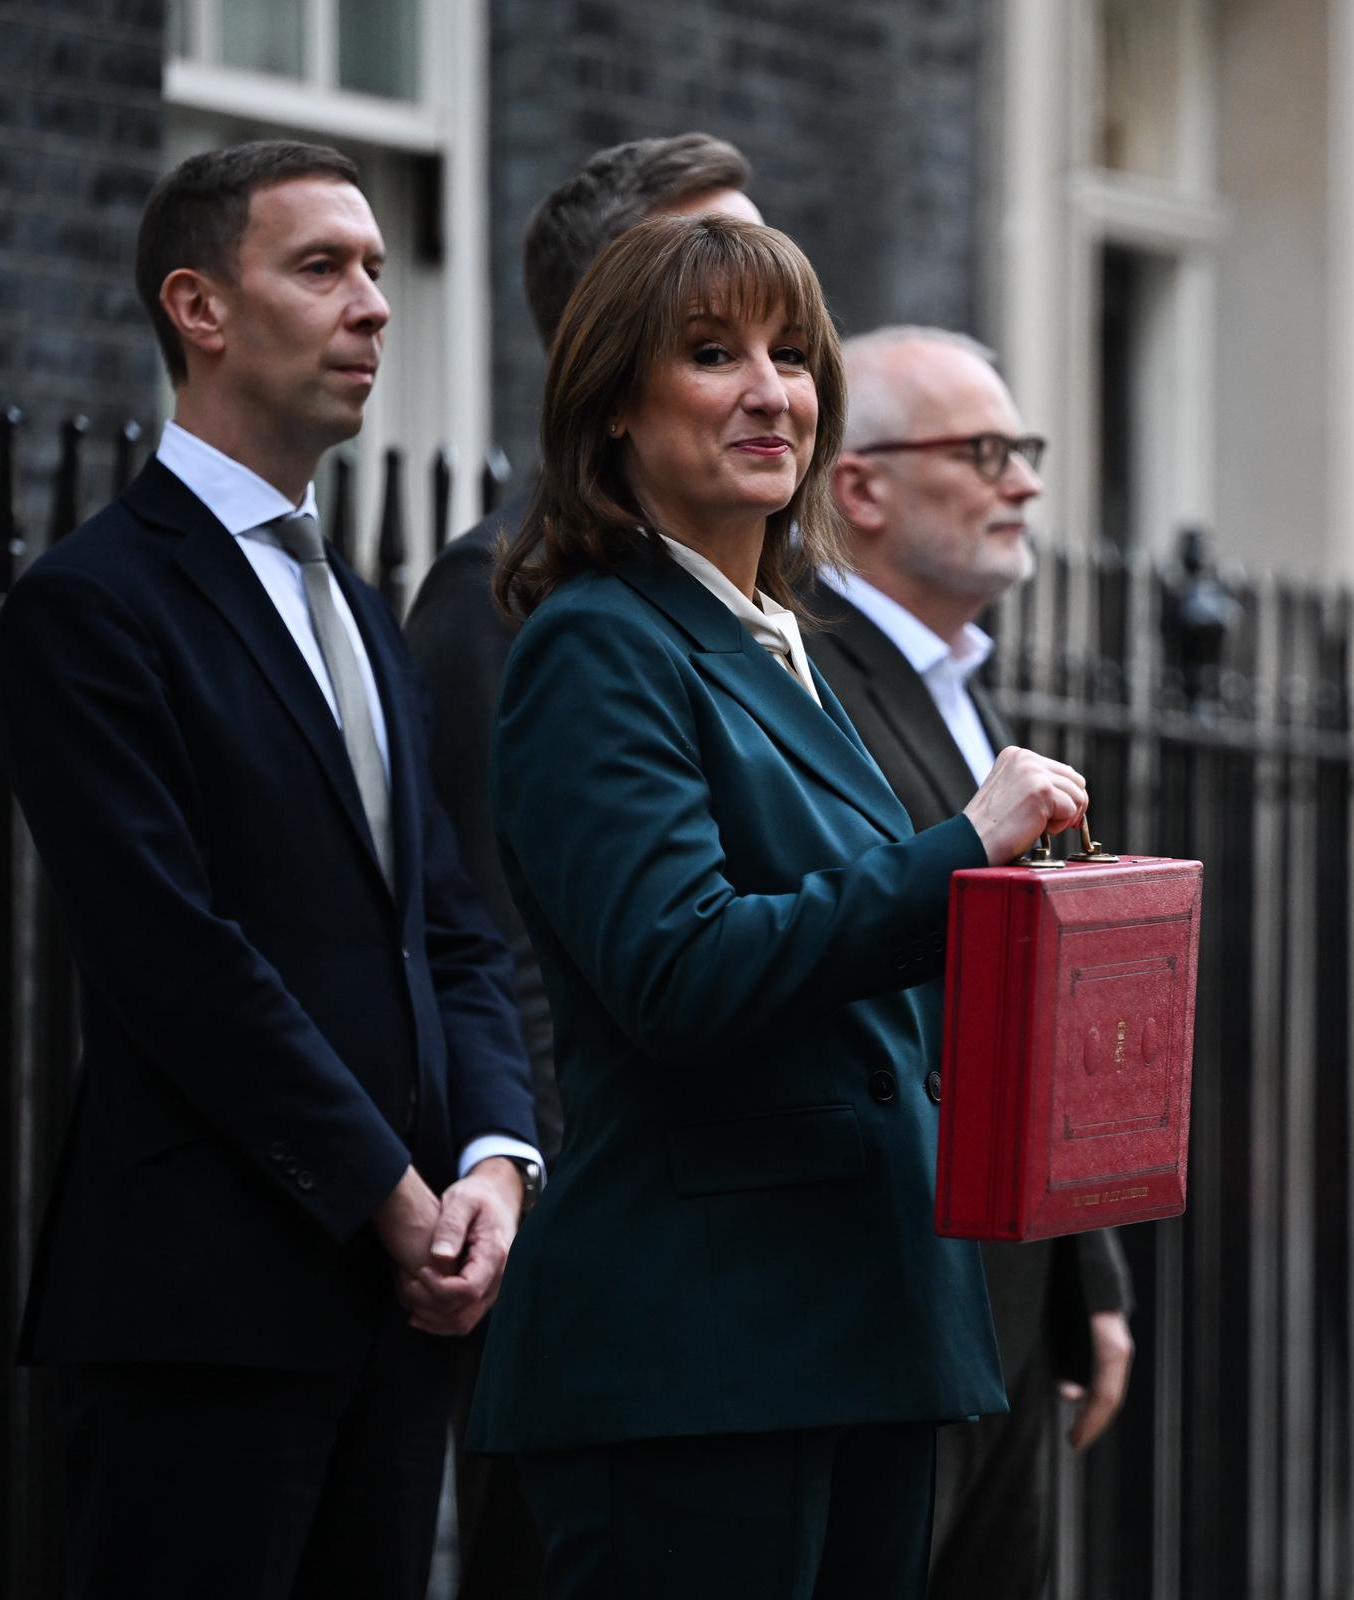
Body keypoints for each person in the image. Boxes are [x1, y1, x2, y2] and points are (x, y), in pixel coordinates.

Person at [466, 213, 1090, 1596]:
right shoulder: (596, 645)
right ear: (614, 406)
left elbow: (869, 972)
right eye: (712, 355)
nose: (773, 390)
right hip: (701, 1350)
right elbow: (678, 970)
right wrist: (960, 851)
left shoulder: (782, 640)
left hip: (859, 1321)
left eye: (793, 354)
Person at [0, 140, 540, 1598]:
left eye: (376, 268)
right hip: (204, 1310)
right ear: (198, 307)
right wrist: (388, 1189)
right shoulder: (87, 605)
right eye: (322, 268)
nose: (373, 304)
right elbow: (173, 954)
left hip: (397, 1304)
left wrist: (494, 1158)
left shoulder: (356, 604)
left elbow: (449, 928)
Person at [402, 129, 759, 1596]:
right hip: (606, 1272)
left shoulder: (753, 598)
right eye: (712, 282)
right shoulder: (505, 596)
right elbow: (497, 949)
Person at [812, 325, 1136, 1599]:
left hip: (1003, 1296)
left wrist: (1086, 1274)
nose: (1027, 483)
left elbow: (1027, 1008)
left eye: (1027, 449)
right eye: (985, 450)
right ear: (863, 488)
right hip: (886, 1300)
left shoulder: (959, 682)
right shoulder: (811, 679)